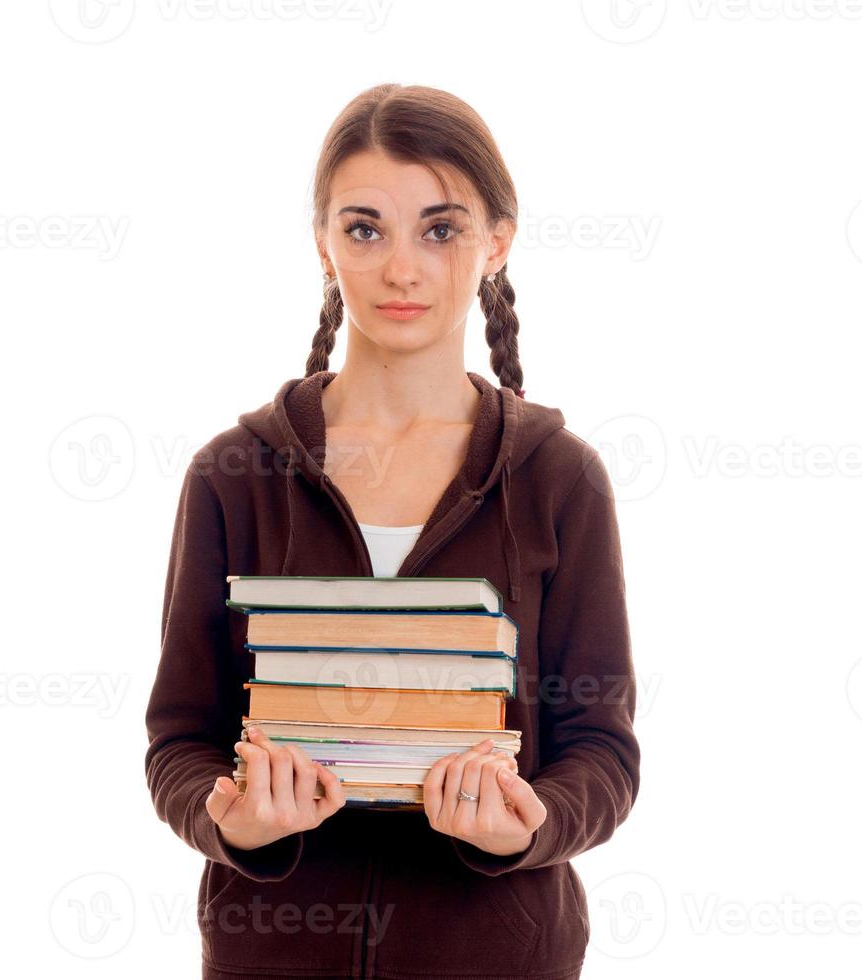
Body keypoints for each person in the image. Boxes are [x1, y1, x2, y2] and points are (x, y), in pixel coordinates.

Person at [143, 82, 640, 980]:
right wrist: (232, 823)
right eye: (364, 228)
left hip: (500, 957)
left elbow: (601, 752)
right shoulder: (232, 475)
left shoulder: (561, 480)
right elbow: (180, 737)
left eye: (440, 229)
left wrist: (530, 824)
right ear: (325, 246)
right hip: (271, 956)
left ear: (497, 242)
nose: (400, 269)